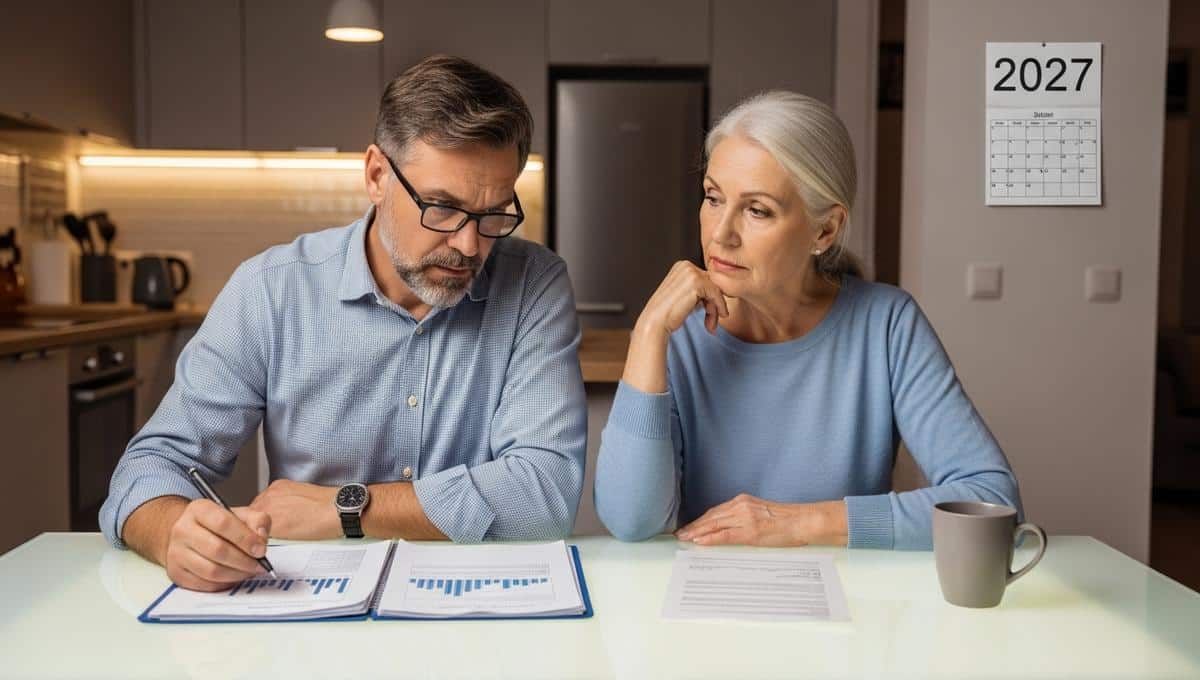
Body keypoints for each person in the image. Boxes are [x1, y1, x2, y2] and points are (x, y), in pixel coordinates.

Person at [100, 55, 587, 591]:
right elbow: (152, 465)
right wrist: (175, 531)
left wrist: (348, 507)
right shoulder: (271, 288)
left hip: (472, 613)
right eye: (442, 209)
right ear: (377, 176)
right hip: (307, 615)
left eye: (494, 214)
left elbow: (545, 494)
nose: (470, 245)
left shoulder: (533, 283)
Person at [594, 91, 1021, 550]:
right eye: (713, 198)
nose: (720, 233)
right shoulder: (678, 336)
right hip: (708, 602)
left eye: (757, 210)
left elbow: (992, 503)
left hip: (852, 605)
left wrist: (799, 524)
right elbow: (630, 521)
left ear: (825, 230)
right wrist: (647, 334)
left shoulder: (888, 326)